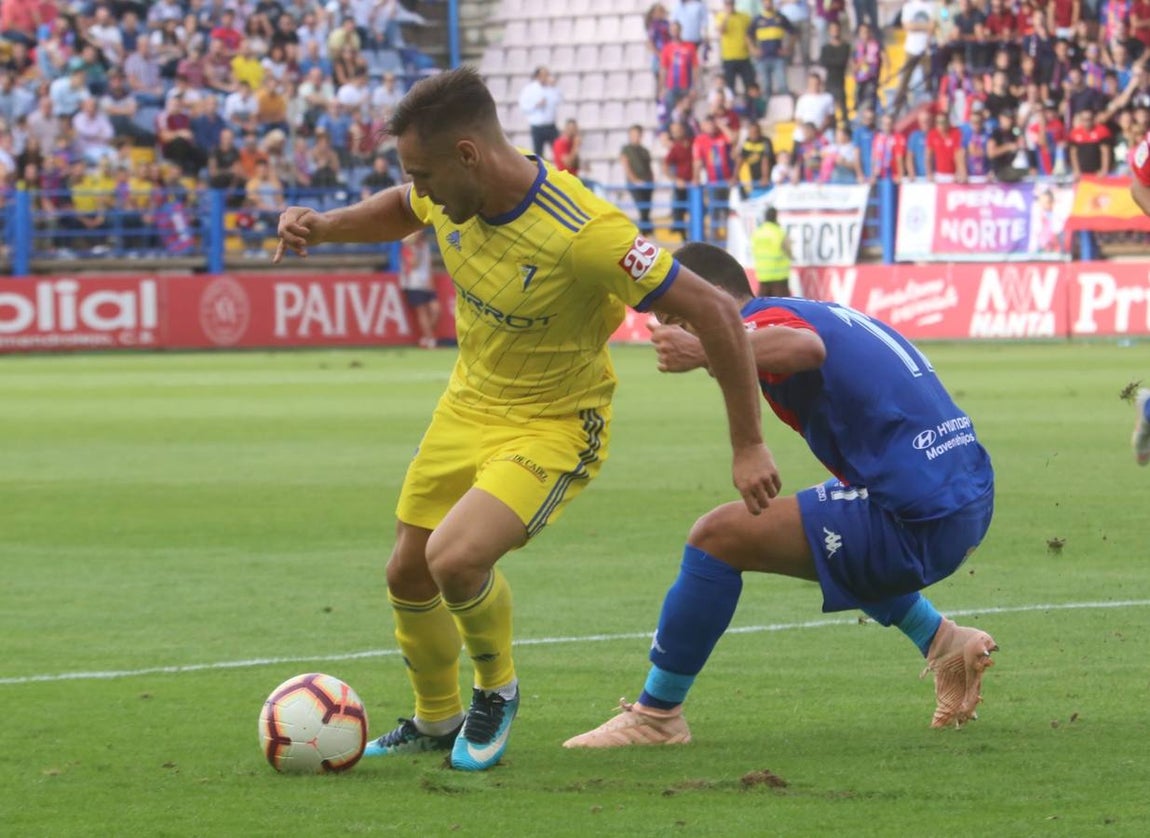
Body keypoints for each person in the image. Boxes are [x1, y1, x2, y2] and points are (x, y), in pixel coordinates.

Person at [273, 66, 781, 772]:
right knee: (407, 573)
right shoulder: (445, 197)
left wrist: (749, 443)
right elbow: (400, 205)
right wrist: (326, 227)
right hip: (468, 402)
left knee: (454, 558)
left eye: (425, 174)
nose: (420, 191)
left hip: (554, 420)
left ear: (469, 155)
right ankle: (435, 718)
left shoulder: (586, 233)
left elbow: (717, 309)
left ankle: (496, 689)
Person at [563, 242, 998, 749]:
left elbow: (804, 350)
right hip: (958, 492)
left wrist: (709, 348)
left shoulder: (766, 320)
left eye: (673, 316)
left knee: (717, 537)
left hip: (924, 514)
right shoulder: (802, 310)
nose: (671, 332)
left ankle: (657, 715)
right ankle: (942, 641)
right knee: (826, 526)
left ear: (709, 298)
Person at [400, 228, 439, 350]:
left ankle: (426, 338)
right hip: (414, 283)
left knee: (436, 310)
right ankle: (431, 340)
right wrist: (412, 248)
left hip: (427, 284)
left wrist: (431, 282)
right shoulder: (407, 249)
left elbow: (428, 266)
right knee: (422, 313)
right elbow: (413, 264)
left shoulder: (425, 247)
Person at [518, 66, 562, 160]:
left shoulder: (551, 88)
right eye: (544, 75)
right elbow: (524, 106)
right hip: (537, 126)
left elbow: (559, 100)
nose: (546, 77)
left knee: (558, 151)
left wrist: (554, 87)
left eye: (547, 75)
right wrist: (536, 105)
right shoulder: (529, 89)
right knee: (538, 153)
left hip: (551, 125)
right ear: (537, 76)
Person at [620, 124, 655, 236]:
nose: (636, 137)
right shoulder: (626, 149)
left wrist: (651, 181)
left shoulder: (644, 151)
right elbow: (626, 166)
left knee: (647, 209)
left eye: (638, 134)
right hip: (635, 184)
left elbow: (649, 167)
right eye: (634, 134)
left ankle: (645, 232)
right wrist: (635, 181)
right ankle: (644, 232)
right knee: (642, 208)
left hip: (647, 184)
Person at [751, 206, 791, 296]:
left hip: (763, 275)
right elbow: (788, 251)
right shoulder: (779, 232)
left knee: (763, 306)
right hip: (779, 276)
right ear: (776, 217)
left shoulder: (758, 232)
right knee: (781, 306)